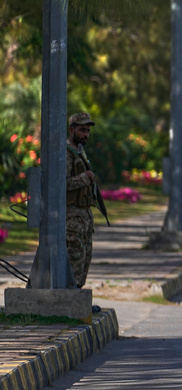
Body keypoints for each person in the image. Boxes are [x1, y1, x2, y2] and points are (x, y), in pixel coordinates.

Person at [66, 112, 102, 294]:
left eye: (87, 131)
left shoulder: (80, 151)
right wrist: (84, 178)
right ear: (72, 129)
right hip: (71, 218)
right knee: (75, 260)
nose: (86, 134)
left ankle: (78, 298)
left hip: (84, 217)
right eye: (82, 130)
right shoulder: (66, 153)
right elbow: (60, 185)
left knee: (84, 261)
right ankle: (71, 300)